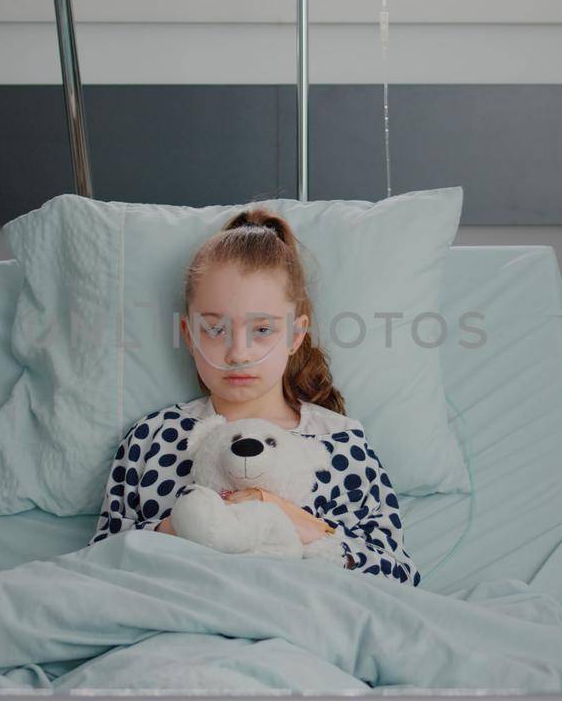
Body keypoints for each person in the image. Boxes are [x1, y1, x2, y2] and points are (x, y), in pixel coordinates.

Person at [88, 206, 418, 586]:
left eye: (262, 329)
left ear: (296, 335)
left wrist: (298, 523)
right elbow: (99, 565)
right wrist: (184, 524)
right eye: (214, 329)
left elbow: (400, 577)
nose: (238, 353)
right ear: (188, 334)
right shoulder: (152, 439)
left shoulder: (340, 444)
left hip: (302, 628)